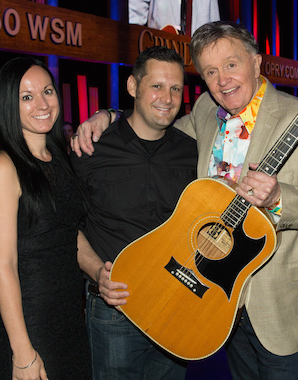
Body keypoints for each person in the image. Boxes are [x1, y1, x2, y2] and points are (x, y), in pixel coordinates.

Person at [74, 21, 298, 379]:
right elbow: (155, 123)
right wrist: (108, 116)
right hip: (215, 299)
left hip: (281, 301)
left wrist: (282, 197)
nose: (223, 80)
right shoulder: (206, 111)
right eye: (210, 72)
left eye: (231, 65)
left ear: (255, 63)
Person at [71, 46, 197, 379]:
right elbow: (65, 226)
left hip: (176, 303)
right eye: (156, 86)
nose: (167, 98)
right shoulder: (90, 148)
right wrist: (98, 272)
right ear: (133, 87)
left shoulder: (191, 151)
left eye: (175, 88)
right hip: (115, 307)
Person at [0, 57, 91, 379]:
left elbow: (68, 232)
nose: (41, 103)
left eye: (48, 91)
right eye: (26, 97)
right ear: (8, 107)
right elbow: (3, 265)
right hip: (27, 321)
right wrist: (22, 351)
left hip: (68, 312)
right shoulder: (2, 167)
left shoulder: (59, 160)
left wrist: (99, 270)